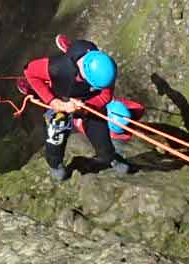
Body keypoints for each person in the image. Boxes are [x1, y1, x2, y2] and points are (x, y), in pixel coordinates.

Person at [20, 35, 133, 180]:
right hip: (60, 94)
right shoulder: (58, 67)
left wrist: (85, 107)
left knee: (99, 126)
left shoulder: (107, 71)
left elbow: (105, 97)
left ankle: (108, 156)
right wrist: (54, 102)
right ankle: (56, 164)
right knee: (57, 125)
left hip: (86, 100)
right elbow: (30, 71)